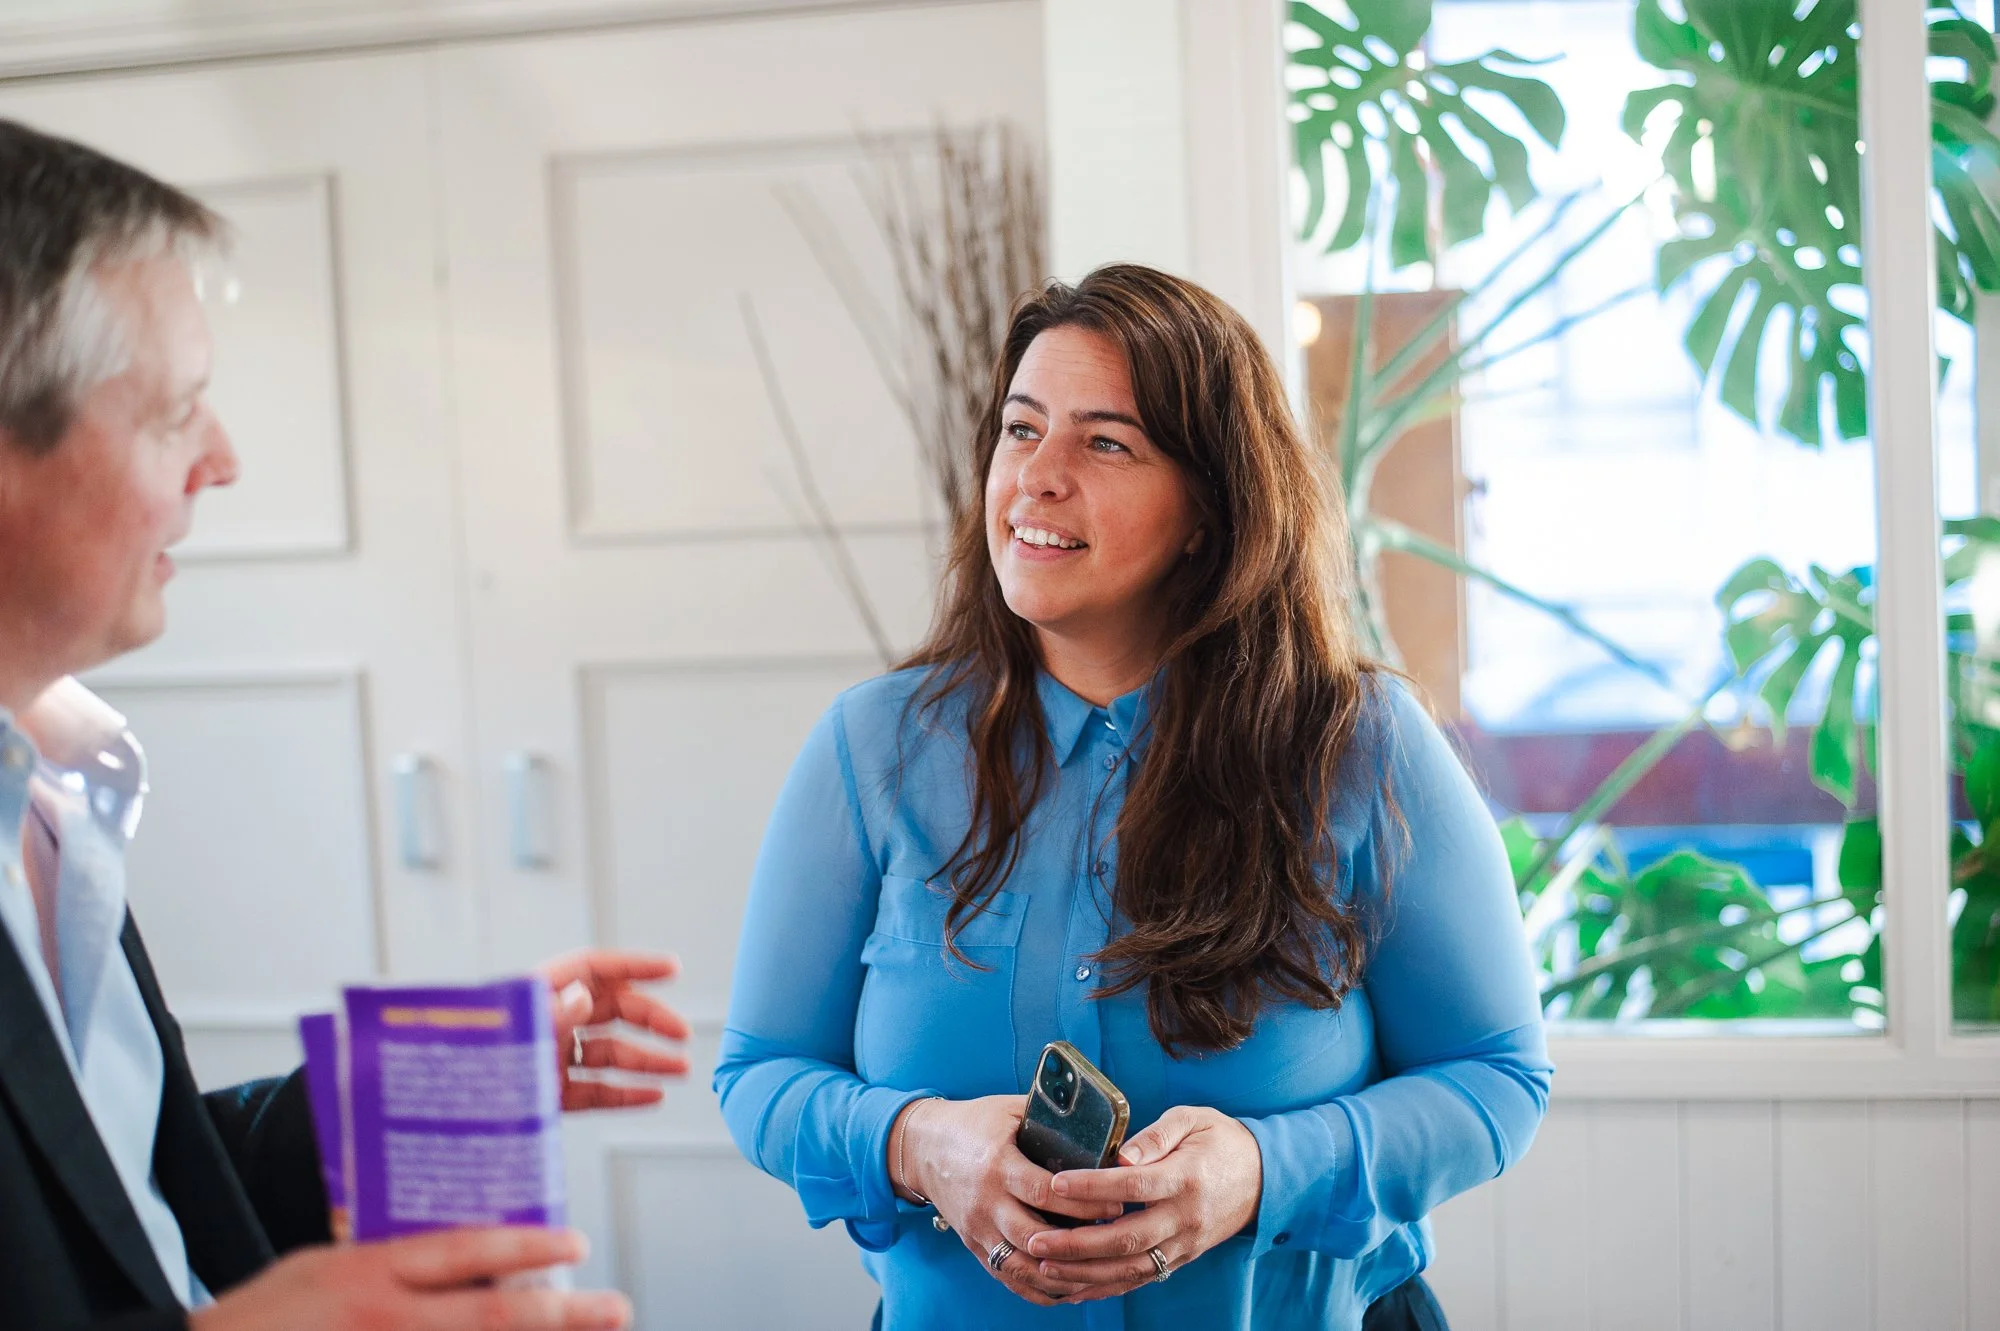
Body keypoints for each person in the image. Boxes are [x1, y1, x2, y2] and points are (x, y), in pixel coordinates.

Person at [715, 264, 1552, 1329]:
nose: (1037, 477)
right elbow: (758, 1072)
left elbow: (1495, 1076)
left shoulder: (1363, 748)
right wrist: (915, 1142)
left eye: (1104, 442)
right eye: (1022, 430)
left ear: (1210, 507)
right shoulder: (871, 745)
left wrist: (1261, 1167)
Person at [0, 118, 690, 1331]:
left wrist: (413, 1087)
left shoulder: (60, 783)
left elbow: (111, 1193)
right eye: (175, 411)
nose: (222, 458)